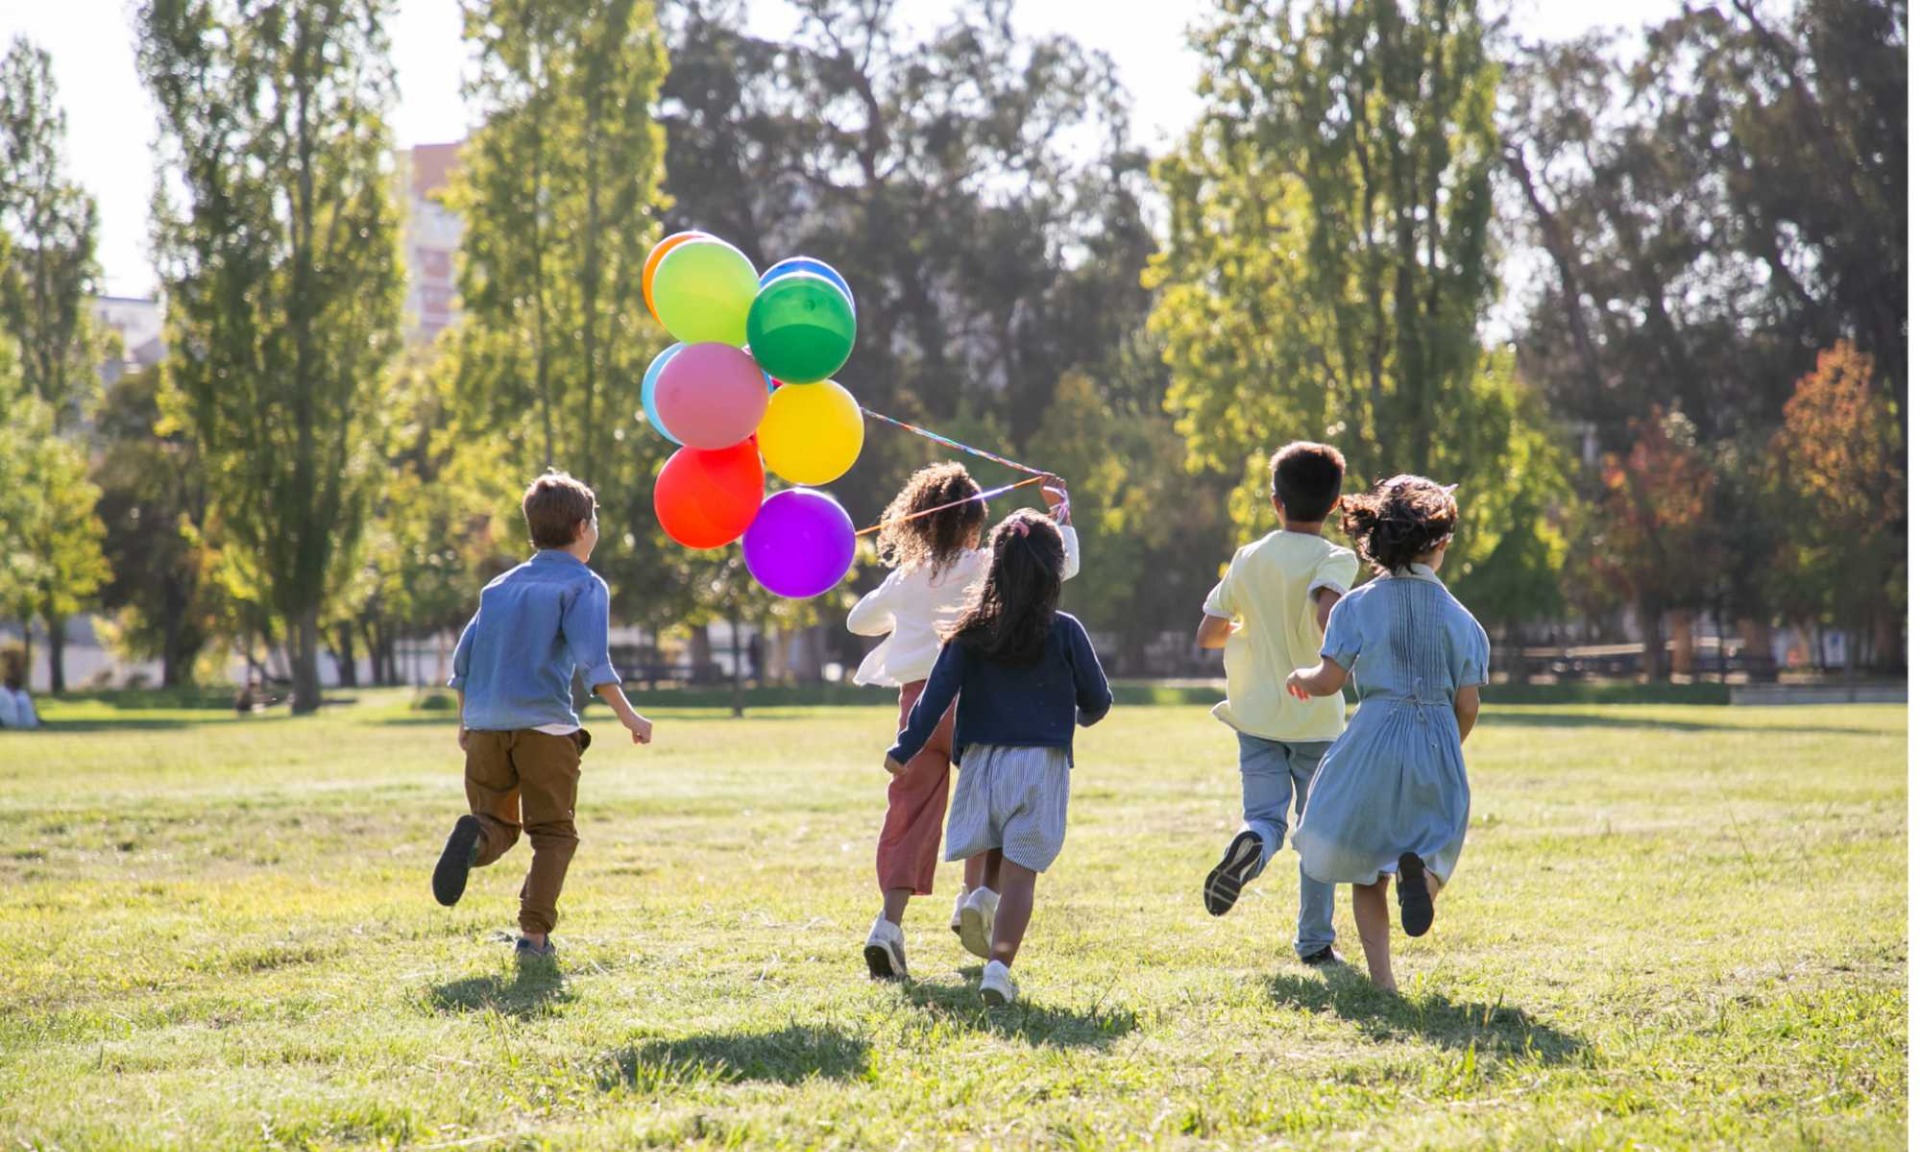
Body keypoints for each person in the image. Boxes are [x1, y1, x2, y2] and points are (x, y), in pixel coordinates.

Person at [849, 463, 1078, 979]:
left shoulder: (906, 578)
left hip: (917, 711)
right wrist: (1059, 513)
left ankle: (888, 925)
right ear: (975, 524)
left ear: (919, 525)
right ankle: (974, 898)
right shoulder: (984, 566)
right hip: (975, 704)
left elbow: (857, 621)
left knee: (908, 815)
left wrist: (903, 599)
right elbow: (1059, 567)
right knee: (992, 804)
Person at [886, 509, 1111, 1005]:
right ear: (1054, 571)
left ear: (995, 568)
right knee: (1021, 877)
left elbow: (934, 698)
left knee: (991, 844)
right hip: (1040, 765)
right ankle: (997, 969)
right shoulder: (1066, 630)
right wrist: (1078, 716)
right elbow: (1098, 699)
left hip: (982, 763)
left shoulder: (970, 631)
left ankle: (979, 897)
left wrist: (905, 748)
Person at [431, 471, 655, 964]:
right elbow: (593, 662)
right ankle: (533, 937)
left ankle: (475, 840)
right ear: (582, 528)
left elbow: (463, 661)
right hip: (545, 728)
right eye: (594, 521)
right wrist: (630, 717)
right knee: (553, 833)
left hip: (487, 726)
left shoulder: (499, 586)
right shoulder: (583, 585)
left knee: (497, 824)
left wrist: (464, 722)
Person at [1286, 475, 1489, 991]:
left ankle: (1384, 983)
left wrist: (1301, 678)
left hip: (1373, 737)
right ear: (1439, 544)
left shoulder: (1355, 605)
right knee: (1435, 843)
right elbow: (1468, 704)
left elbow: (1329, 681)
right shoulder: (1463, 621)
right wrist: (1447, 744)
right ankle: (1420, 880)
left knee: (1365, 866)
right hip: (1436, 738)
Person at [1195, 442, 1357, 966]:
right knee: (1317, 832)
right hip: (1314, 715)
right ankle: (1314, 942)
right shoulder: (1336, 557)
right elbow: (1327, 611)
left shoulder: (1249, 556)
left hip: (1256, 714)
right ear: (1334, 506)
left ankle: (1251, 844)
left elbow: (1209, 633)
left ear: (1275, 502)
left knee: (1264, 816)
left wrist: (1253, 627)